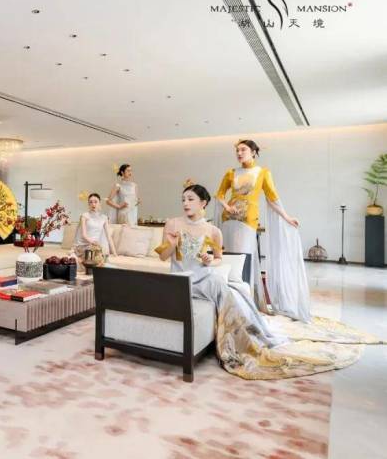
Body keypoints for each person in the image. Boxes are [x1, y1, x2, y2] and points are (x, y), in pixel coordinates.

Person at [156, 184, 371, 380]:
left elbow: (219, 258)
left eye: (190, 199)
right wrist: (171, 244)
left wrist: (210, 260)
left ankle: (250, 335)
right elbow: (163, 257)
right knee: (226, 290)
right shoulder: (172, 224)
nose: (185, 203)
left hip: (205, 278)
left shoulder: (213, 231)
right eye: (183, 199)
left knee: (227, 290)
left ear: (203, 203)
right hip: (180, 279)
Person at [214, 139, 309, 321]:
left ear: (253, 152)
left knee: (244, 260)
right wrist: (227, 207)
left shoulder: (263, 173)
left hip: (248, 221)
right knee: (228, 260)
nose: (239, 153)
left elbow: (272, 199)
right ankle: (228, 302)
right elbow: (219, 195)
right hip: (228, 220)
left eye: (243, 150)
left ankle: (245, 304)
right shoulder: (231, 173)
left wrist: (287, 217)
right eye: (237, 150)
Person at [74, 193, 117, 262]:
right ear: (88, 204)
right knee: (93, 256)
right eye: (90, 202)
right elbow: (84, 235)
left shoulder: (104, 218)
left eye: (95, 202)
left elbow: (109, 237)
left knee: (100, 257)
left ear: (99, 203)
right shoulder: (84, 216)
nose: (93, 204)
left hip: (95, 246)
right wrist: (93, 242)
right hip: (84, 245)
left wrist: (115, 254)